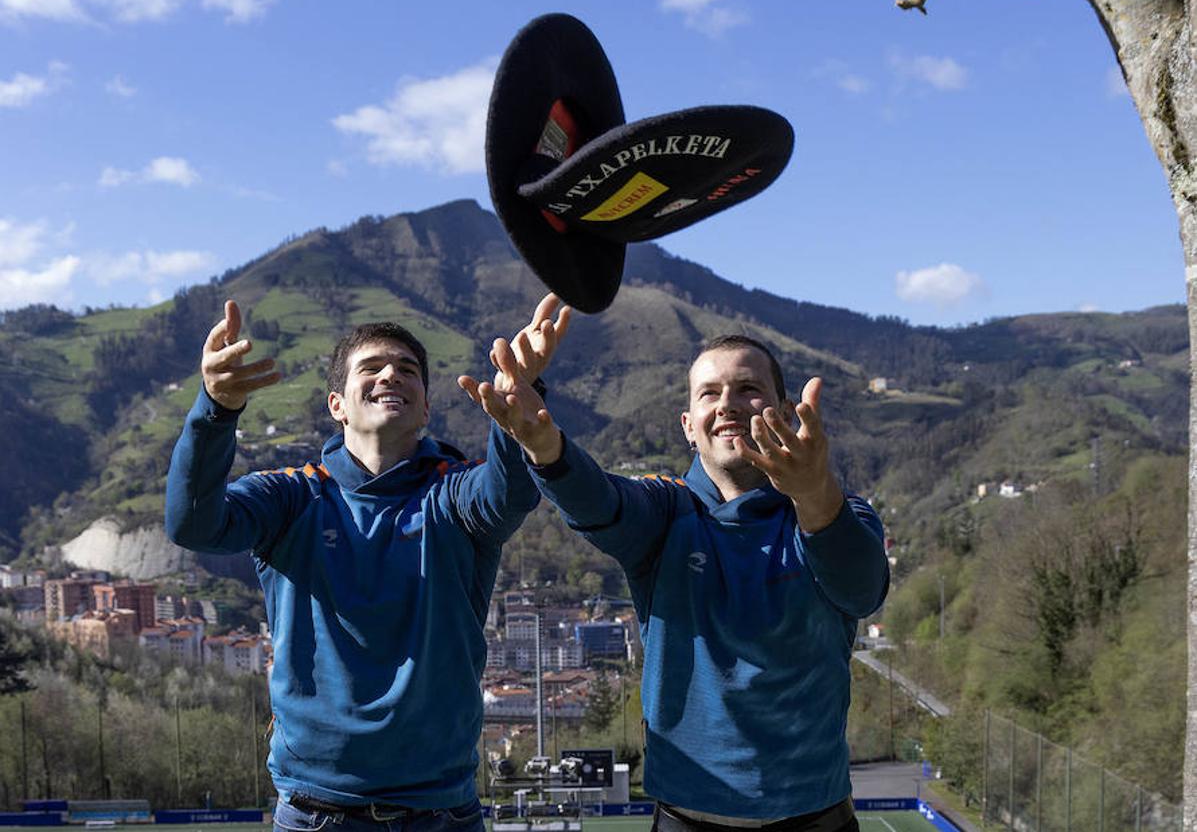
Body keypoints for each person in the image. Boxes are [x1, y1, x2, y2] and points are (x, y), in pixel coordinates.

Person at [165, 295, 569, 832]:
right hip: (316, 813)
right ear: (338, 404)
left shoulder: (453, 494)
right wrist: (214, 410)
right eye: (372, 366)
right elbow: (192, 523)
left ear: (426, 407)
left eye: (407, 370)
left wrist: (522, 398)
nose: (390, 375)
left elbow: (509, 495)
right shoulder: (291, 497)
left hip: (443, 813)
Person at [461, 330, 888, 832]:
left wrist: (815, 494)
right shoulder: (667, 513)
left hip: (816, 820)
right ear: (689, 425)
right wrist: (547, 449)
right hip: (686, 819)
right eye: (709, 392)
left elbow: (861, 589)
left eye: (747, 388)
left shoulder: (839, 514)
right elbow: (600, 501)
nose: (727, 403)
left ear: (785, 411)